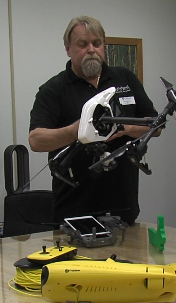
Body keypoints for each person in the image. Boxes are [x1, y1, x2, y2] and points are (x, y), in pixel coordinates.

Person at [29, 16, 159, 225]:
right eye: (82, 44)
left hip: (123, 209)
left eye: (97, 43)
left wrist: (125, 127)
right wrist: (79, 129)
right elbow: (36, 140)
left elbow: (155, 124)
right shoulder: (53, 90)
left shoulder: (124, 78)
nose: (91, 49)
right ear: (68, 49)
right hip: (73, 213)